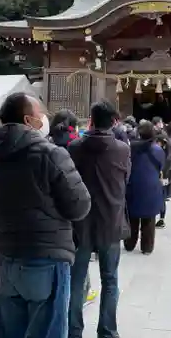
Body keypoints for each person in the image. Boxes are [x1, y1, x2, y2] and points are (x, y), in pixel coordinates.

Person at [0, 92, 91, 338]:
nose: (45, 119)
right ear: (29, 120)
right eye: (41, 114)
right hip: (46, 260)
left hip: (8, 260)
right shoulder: (51, 155)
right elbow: (80, 206)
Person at [67, 100, 131, 338]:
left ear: (90, 120)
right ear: (113, 122)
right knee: (110, 280)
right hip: (110, 223)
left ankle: (73, 331)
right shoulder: (122, 149)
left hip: (80, 224)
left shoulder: (74, 148)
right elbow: (125, 182)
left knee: (76, 280)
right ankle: (107, 331)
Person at [49, 109, 97, 306]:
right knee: (79, 252)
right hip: (75, 202)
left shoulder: (45, 142)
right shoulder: (77, 144)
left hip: (51, 206)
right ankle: (82, 292)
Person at [124, 121, 165, 255]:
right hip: (151, 186)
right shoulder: (158, 150)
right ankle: (147, 247)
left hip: (133, 185)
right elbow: (161, 167)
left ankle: (129, 243)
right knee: (149, 219)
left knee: (132, 217)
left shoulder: (130, 148)